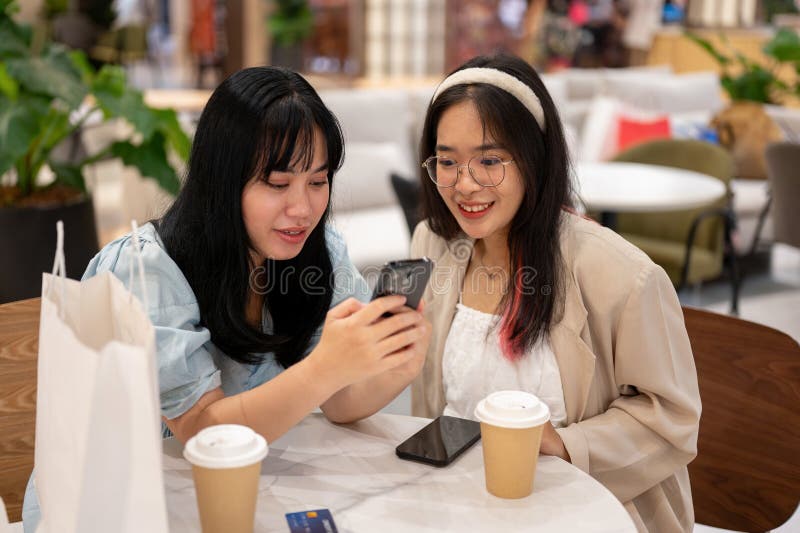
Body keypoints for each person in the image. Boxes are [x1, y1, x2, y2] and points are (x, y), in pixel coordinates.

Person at [23, 66, 431, 531]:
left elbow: (340, 402)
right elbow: (203, 430)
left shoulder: (317, 253)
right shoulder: (147, 271)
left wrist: (396, 365)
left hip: (237, 498)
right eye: (278, 184)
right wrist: (326, 367)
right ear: (221, 180)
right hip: (124, 511)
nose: (302, 208)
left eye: (318, 182)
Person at [409, 54, 700, 532]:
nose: (465, 184)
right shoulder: (434, 246)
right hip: (459, 507)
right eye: (447, 161)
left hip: (589, 512)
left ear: (534, 158)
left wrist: (566, 446)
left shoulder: (621, 275)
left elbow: (672, 419)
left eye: (489, 160)